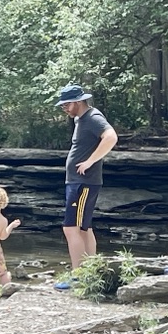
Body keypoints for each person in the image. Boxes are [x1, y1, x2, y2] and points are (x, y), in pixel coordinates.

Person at [54, 84, 116, 286]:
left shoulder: (93, 117)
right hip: (79, 182)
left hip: (83, 182)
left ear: (78, 101)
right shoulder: (82, 119)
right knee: (83, 228)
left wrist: (91, 161)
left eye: (66, 104)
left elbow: (111, 137)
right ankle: (91, 271)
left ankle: (78, 276)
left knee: (71, 228)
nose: (64, 108)